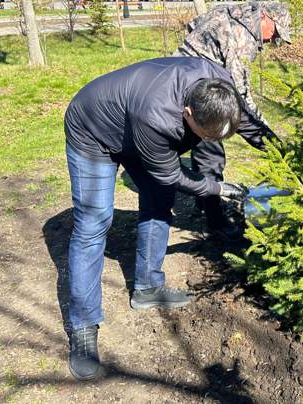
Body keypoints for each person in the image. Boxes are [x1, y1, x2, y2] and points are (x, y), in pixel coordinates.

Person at [63, 56, 276, 380]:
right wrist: (216, 187)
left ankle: (148, 287)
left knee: (158, 204)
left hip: (136, 126)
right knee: (94, 223)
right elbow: (171, 176)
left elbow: (248, 124)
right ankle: (83, 325)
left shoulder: (220, 87)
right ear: (187, 113)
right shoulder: (156, 116)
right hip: (94, 132)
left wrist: (291, 157)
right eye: (204, 135)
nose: (209, 144)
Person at [174, 1, 291, 237]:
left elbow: (192, 27)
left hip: (182, 78)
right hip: (203, 94)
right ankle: (216, 223)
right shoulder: (241, 34)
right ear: (266, 19)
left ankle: (203, 203)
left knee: (203, 148)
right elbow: (240, 97)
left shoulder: (232, 13)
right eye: (275, 32)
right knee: (211, 154)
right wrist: (268, 137)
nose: (273, 39)